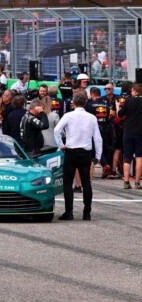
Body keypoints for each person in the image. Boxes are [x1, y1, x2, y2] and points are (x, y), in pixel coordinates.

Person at [54, 92, 102, 221]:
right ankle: (87, 213)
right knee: (86, 183)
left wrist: (61, 145)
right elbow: (97, 138)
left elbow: (56, 130)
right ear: (86, 103)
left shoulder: (68, 115)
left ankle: (69, 212)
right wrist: (98, 155)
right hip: (85, 152)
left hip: (71, 151)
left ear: (73, 103)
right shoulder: (91, 117)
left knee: (67, 183)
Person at [117, 83, 142, 189]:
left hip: (128, 132)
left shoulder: (128, 101)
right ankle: (137, 182)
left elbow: (119, 115)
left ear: (135, 91)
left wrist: (118, 107)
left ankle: (126, 182)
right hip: (140, 133)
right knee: (139, 157)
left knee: (127, 157)